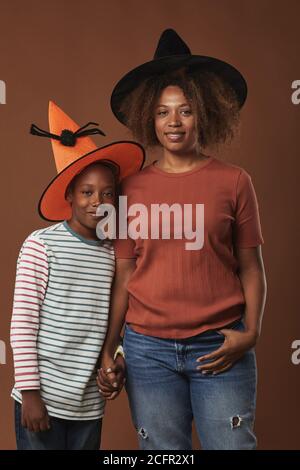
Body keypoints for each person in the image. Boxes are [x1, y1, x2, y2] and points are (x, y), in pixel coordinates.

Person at [98, 29, 267, 450]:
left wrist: (251, 333)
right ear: (148, 119)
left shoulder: (234, 181)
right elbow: (124, 273)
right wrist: (111, 346)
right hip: (148, 352)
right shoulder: (128, 189)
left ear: (204, 114)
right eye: (162, 112)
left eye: (185, 111)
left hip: (220, 346)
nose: (173, 122)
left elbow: (252, 268)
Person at [10, 101, 144, 450]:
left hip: (87, 406)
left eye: (107, 193)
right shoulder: (42, 245)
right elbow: (23, 323)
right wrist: (30, 393)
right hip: (43, 400)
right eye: (86, 192)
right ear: (69, 195)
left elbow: (118, 317)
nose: (96, 202)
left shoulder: (114, 252)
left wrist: (118, 358)